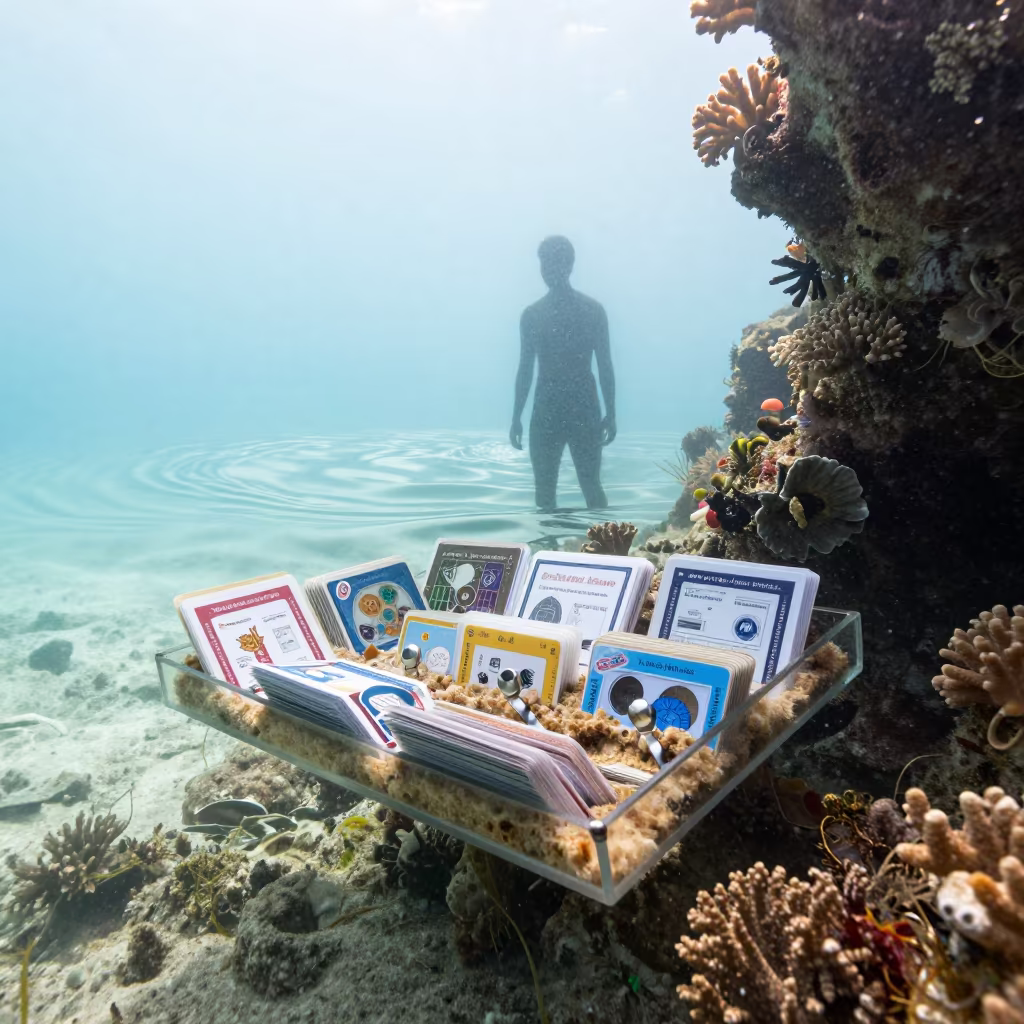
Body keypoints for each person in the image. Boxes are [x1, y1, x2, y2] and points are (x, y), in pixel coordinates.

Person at [510, 236, 616, 510]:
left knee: (589, 486)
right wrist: (516, 416)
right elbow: (525, 369)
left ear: (569, 266)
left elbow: (605, 365)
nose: (547, 270)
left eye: (553, 263)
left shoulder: (592, 311)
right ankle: (549, 551)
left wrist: (612, 412)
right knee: (546, 493)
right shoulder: (533, 315)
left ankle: (608, 548)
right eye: (543, 263)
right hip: (556, 409)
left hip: (571, 408)